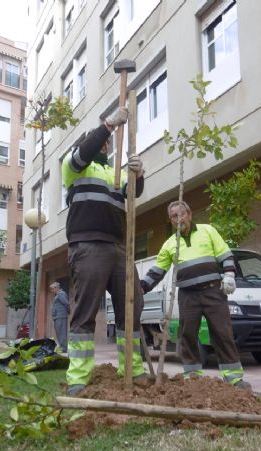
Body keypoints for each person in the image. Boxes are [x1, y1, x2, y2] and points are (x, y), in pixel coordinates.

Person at [61, 107, 148, 396]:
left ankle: (132, 370)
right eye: (101, 141)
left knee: (132, 306)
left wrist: (139, 173)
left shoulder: (114, 172)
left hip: (119, 246)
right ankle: (78, 377)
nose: (105, 144)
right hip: (88, 245)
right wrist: (108, 124)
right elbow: (83, 151)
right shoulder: (73, 167)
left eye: (107, 142)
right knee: (85, 311)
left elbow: (132, 194)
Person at [140, 200, 251, 390]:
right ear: (171, 221)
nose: (178, 219)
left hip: (213, 291)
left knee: (222, 332)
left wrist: (230, 275)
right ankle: (193, 376)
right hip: (188, 295)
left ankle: (233, 377)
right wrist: (141, 288)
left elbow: (225, 255)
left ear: (189, 214)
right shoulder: (169, 244)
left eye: (181, 214)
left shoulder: (208, 231)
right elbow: (157, 271)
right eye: (174, 216)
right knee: (188, 335)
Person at [49, 282, 69, 353]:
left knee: (62, 333)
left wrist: (67, 312)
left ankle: (63, 348)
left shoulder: (61, 294)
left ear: (56, 288)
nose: (52, 291)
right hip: (58, 316)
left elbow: (66, 303)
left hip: (61, 316)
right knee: (59, 332)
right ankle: (62, 347)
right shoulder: (58, 295)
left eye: (52, 289)